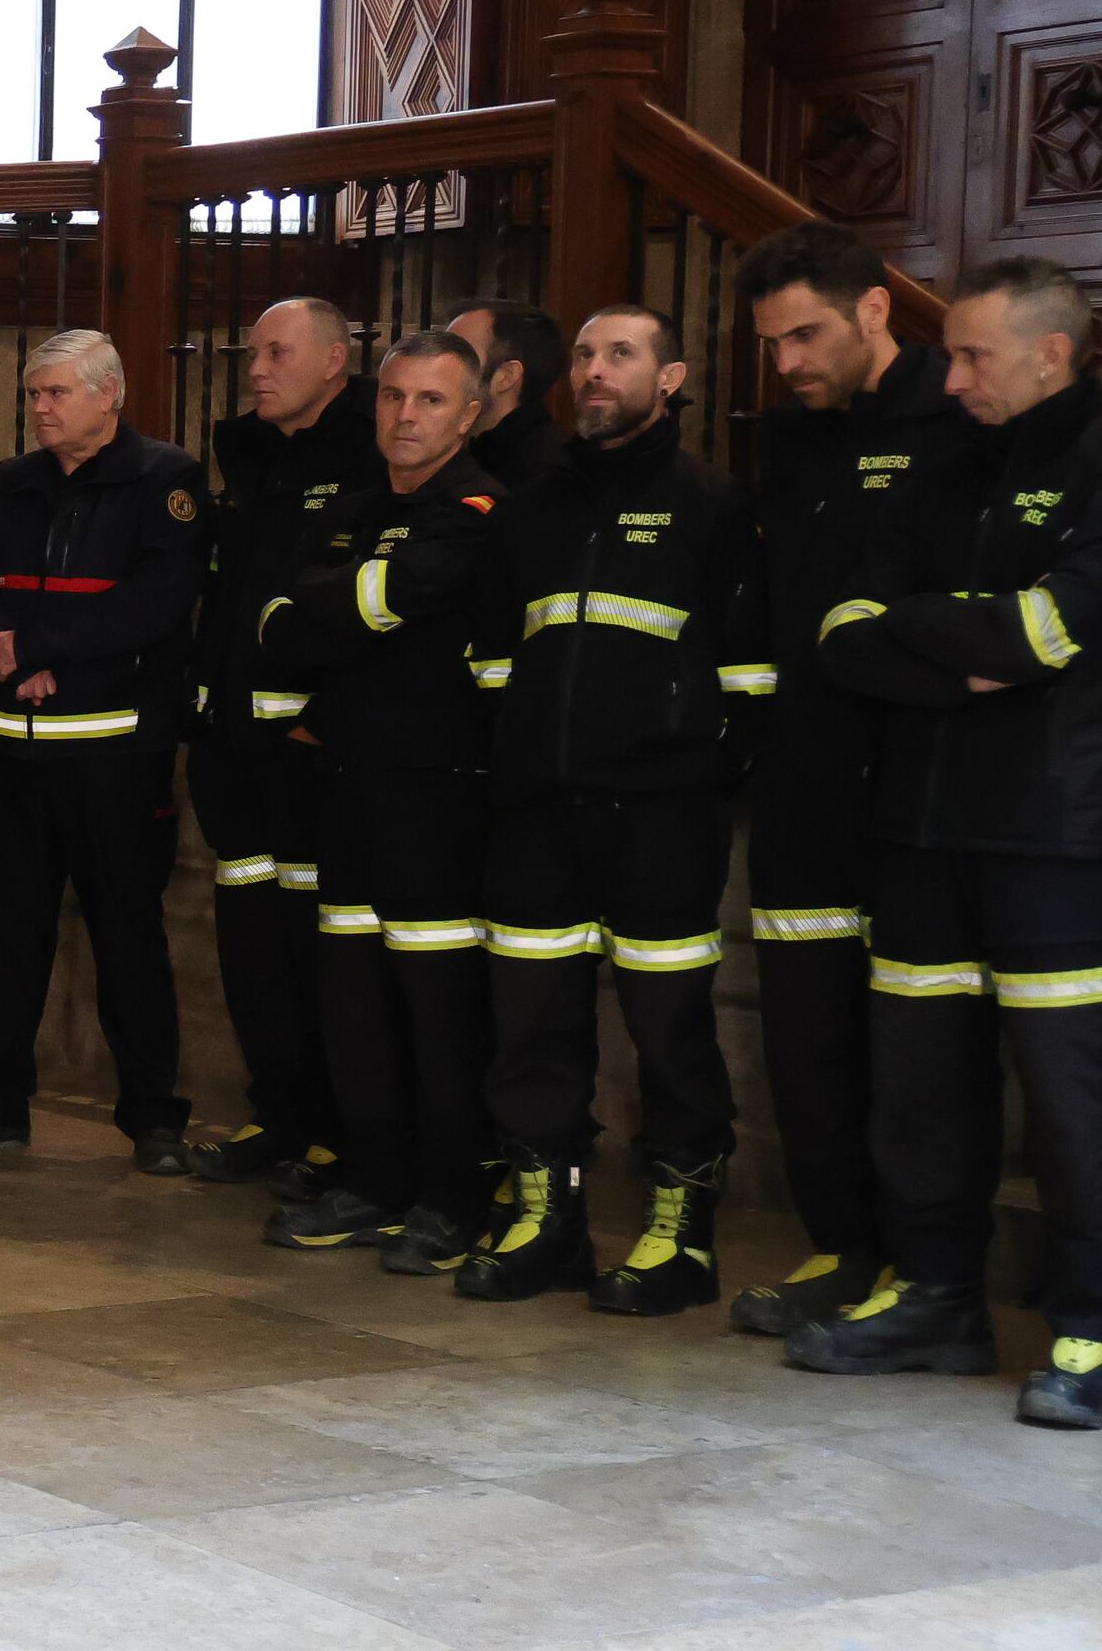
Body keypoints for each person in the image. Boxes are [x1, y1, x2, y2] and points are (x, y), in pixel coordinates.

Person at [790, 260, 1102, 1421]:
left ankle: (1096, 1332)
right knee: (919, 1087)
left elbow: (1049, 631)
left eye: (972, 357)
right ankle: (939, 1299)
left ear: (1050, 354)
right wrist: (960, 652)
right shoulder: (941, 471)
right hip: (917, 823)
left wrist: (945, 643)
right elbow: (840, 634)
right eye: (948, 355)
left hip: (1048, 833)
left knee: (1071, 1096)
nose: (950, 378)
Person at [455, 300, 766, 1311]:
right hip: (536, 810)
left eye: (619, 354)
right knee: (530, 1029)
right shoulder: (532, 502)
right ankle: (545, 1221)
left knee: (670, 1029)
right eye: (584, 354)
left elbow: (748, 667)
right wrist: (518, 752)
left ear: (667, 378)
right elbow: (494, 646)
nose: (594, 370)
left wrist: (701, 766)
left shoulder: (710, 504)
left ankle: (679, 1237)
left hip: (661, 812)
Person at [727, 223, 963, 1337]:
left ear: (874, 309)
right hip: (799, 783)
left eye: (805, 334)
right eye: (770, 343)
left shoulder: (952, 421)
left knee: (911, 1053)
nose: (787, 362)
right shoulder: (786, 438)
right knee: (806, 1040)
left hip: (913, 782)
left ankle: (919, 1271)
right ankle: (841, 1245)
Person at [0, 329, 205, 1165]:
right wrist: (2, 653)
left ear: (108, 394)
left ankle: (154, 1116)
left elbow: (159, 599)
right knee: (5, 935)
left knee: (126, 936)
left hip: (118, 759)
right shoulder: (11, 483)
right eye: (34, 394)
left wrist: (39, 646)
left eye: (56, 394)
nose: (40, 408)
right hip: (18, 758)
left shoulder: (164, 480)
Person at [252, 330, 503, 1263]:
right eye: (394, 397)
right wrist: (353, 607)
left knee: (436, 1008)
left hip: (436, 796)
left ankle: (451, 1195)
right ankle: (375, 1178)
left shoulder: (478, 509)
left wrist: (335, 609)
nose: (406, 416)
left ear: (470, 413)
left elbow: (349, 610)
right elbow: (275, 630)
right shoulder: (348, 512)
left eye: (431, 401)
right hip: (343, 787)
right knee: (353, 1000)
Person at [182, 299, 375, 1195]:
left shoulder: (369, 457)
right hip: (233, 743)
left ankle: (340, 1127)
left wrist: (326, 715)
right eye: (252, 350)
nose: (254, 367)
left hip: (307, 746)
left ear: (336, 360)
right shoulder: (252, 458)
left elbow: (351, 608)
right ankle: (282, 1112)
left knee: (319, 951)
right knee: (252, 947)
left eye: (276, 352)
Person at [453, 300, 569, 499]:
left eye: (460, 355)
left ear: (506, 377)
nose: (438, 367)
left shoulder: (543, 475)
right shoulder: (475, 450)